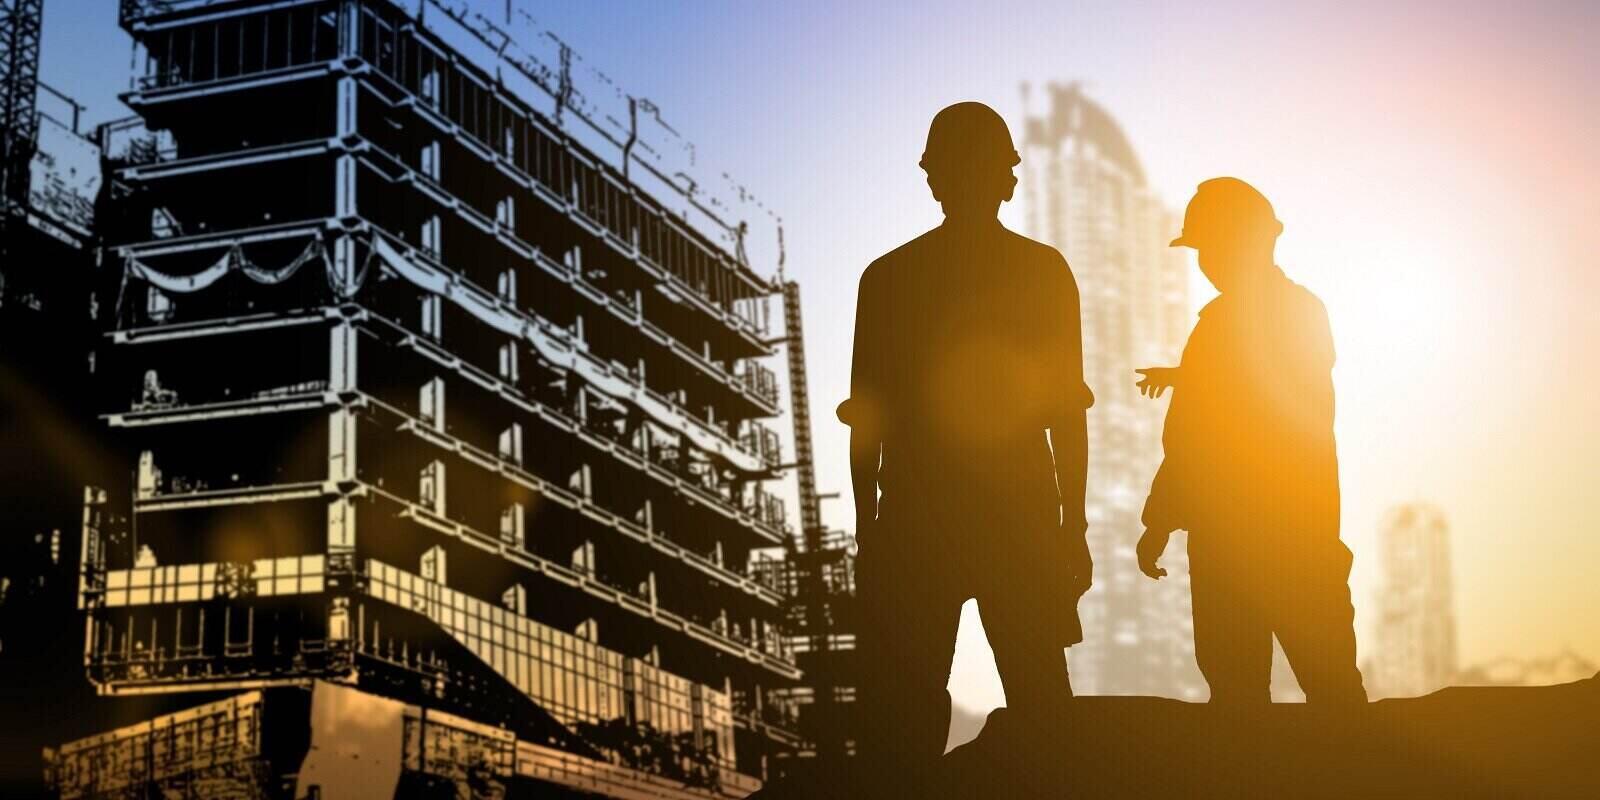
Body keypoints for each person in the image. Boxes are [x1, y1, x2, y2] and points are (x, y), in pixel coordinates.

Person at [839, 101, 1094, 778]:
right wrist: (1074, 526)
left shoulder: (889, 278)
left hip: (926, 525)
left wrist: (871, 536)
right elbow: (1066, 415)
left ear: (935, 177)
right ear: (1005, 177)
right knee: (1041, 706)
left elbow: (869, 423)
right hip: (1015, 519)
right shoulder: (1042, 272)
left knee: (908, 715)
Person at [1135, 177, 1366, 705]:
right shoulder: (1245, 319)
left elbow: (1224, 422)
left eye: (1214, 246)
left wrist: (1160, 519)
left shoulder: (1272, 316)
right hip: (1264, 539)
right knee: (1261, 692)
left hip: (1276, 539)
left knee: (1319, 690)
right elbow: (1212, 421)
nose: (1207, 260)